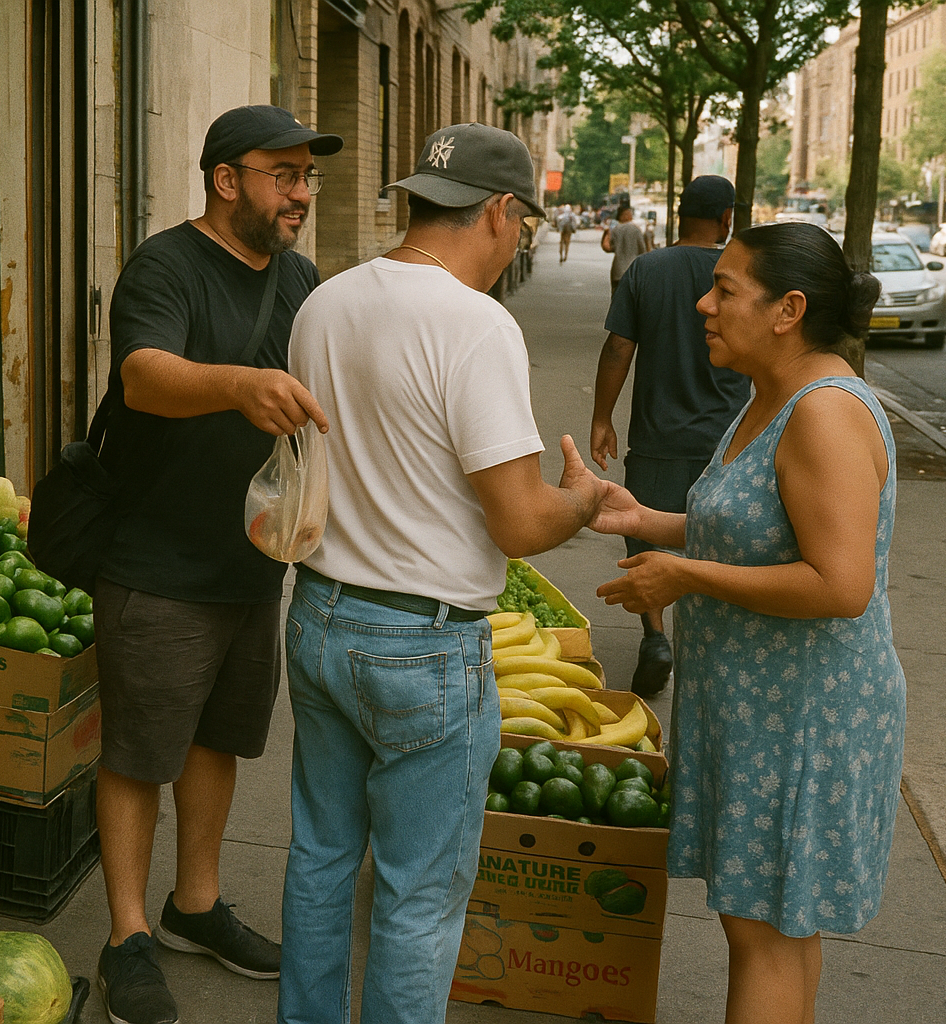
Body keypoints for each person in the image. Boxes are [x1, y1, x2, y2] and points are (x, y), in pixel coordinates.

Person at [279, 123, 615, 1024]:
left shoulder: (326, 302)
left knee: (319, 854)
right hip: (421, 648)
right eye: (526, 227)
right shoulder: (475, 326)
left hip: (319, 614)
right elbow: (519, 521)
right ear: (502, 213)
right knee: (418, 894)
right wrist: (583, 499)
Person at [591, 221, 903, 1024]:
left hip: (801, 720)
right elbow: (751, 525)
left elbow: (840, 584)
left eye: (726, 289)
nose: (704, 302)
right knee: (775, 930)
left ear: (787, 309)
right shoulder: (769, 395)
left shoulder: (822, 411)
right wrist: (648, 520)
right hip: (762, 712)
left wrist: (683, 574)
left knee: (764, 934)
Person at [92, 104, 342, 1024]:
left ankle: (193, 904)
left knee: (217, 738)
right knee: (136, 751)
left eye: (306, 178)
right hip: (154, 560)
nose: (301, 194)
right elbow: (143, 376)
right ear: (226, 179)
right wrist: (238, 386)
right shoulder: (166, 265)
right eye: (284, 174)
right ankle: (126, 937)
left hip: (250, 560)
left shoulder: (299, 279)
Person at [589, 175, 751, 696]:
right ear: (726, 218)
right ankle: (709, 647)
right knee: (716, 544)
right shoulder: (739, 275)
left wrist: (601, 418)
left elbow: (618, 349)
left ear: (679, 215)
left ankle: (655, 635)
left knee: (646, 535)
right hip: (726, 443)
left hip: (657, 439)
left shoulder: (648, 269)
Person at [602, 204, 649, 296]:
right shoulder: (636, 230)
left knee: (616, 298)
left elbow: (610, 247)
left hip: (618, 270)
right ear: (625, 215)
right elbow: (643, 251)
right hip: (633, 271)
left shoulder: (615, 230)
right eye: (630, 213)